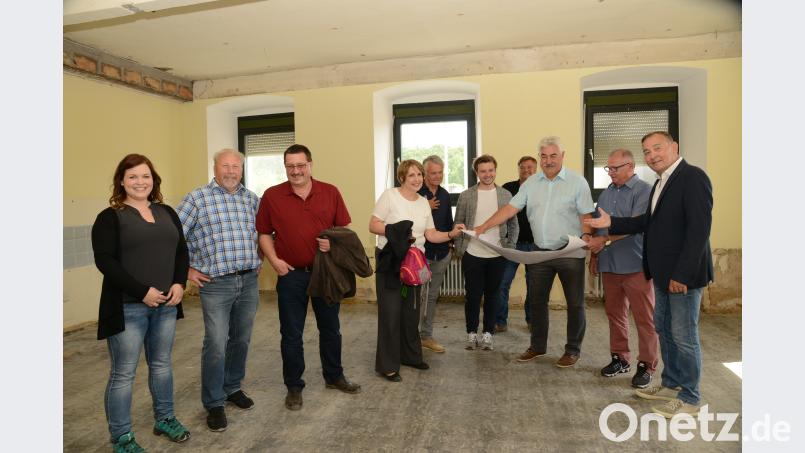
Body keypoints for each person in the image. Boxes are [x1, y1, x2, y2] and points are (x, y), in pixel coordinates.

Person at [585, 131, 713, 418]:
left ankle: (690, 396)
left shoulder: (692, 177)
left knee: (684, 336)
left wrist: (682, 274)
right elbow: (646, 222)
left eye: (658, 148)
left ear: (674, 147)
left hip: (683, 276)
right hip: (662, 273)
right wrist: (610, 222)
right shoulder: (661, 183)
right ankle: (671, 383)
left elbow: (699, 231)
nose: (652, 154)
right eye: (647, 150)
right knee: (666, 331)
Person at [92, 154, 191, 452]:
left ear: (153, 180)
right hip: (127, 307)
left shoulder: (167, 212)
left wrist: (178, 283)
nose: (140, 182)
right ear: (121, 180)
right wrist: (141, 291)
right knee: (124, 373)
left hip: (165, 305)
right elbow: (105, 262)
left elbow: (181, 252)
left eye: (145, 176)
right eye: (132, 176)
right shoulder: (110, 217)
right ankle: (121, 438)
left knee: (161, 366)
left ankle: (165, 419)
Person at [256, 144, 362, 411]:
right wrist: (275, 261)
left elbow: (344, 231)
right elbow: (264, 233)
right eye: (290, 166)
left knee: (330, 329)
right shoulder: (272, 196)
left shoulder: (330, 191)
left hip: (326, 274)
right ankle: (294, 386)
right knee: (291, 334)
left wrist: (333, 245)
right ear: (285, 167)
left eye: (300, 165)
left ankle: (334, 376)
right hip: (291, 275)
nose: (296, 171)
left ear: (310, 165)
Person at [474, 136, 594, 368]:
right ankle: (538, 346)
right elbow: (510, 208)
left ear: (562, 156)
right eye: (544, 156)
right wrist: (484, 226)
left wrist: (587, 236)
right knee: (537, 302)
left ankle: (572, 350)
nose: (548, 161)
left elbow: (586, 214)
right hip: (540, 253)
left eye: (553, 155)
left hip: (570, 251)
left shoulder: (577, 182)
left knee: (575, 303)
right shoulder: (530, 183)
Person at [177, 149, 262, 432]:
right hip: (216, 284)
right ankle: (214, 402)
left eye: (236, 166)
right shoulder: (196, 199)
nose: (231, 171)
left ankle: (232, 387)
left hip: (249, 281)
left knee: (241, 339)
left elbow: (265, 234)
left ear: (242, 169)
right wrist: (187, 270)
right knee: (215, 343)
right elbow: (173, 236)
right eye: (225, 165)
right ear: (214, 167)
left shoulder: (252, 200)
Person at [369, 159, 464, 382]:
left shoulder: (423, 202)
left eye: (419, 174)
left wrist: (450, 234)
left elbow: (430, 234)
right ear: (402, 177)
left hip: (414, 263)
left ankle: (410, 356)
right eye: (411, 175)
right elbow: (373, 224)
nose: (417, 179)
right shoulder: (389, 196)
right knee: (391, 315)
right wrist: (397, 232)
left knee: (411, 312)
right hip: (391, 261)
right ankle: (388, 365)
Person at [587, 149, 658, 389]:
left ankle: (647, 365)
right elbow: (600, 229)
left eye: (615, 168)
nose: (611, 173)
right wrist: (595, 256)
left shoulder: (645, 191)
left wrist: (604, 241)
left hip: (636, 265)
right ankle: (620, 358)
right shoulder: (606, 194)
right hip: (610, 265)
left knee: (644, 319)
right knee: (615, 316)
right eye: (608, 168)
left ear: (631, 166)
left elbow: (635, 226)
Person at [453, 154, 518, 351]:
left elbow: (513, 224)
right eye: (483, 171)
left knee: (493, 295)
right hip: (472, 254)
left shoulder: (506, 195)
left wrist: (510, 247)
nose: (487, 174)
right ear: (477, 173)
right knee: (472, 296)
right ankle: (471, 333)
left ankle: (488, 333)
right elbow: (458, 223)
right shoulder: (466, 195)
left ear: (495, 171)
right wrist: (460, 248)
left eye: (491, 170)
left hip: (497, 254)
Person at [497, 155, 538, 333]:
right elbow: (501, 213)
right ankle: (500, 321)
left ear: (536, 170)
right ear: (518, 169)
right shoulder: (508, 188)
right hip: (512, 245)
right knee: (502, 283)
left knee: (534, 285)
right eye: (523, 167)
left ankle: (532, 320)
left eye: (530, 167)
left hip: (536, 246)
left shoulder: (542, 189)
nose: (526, 171)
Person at [417, 155, 454, 353]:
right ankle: (411, 336)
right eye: (433, 173)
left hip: (442, 254)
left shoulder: (445, 195)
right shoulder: (416, 194)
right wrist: (425, 207)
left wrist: (450, 246)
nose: (437, 176)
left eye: (440, 172)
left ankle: (427, 336)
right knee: (418, 297)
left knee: (432, 297)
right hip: (421, 256)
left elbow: (449, 222)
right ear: (424, 174)